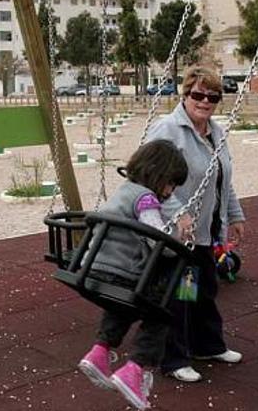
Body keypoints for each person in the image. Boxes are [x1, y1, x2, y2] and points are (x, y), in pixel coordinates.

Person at [146, 65, 247, 383]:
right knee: (181, 295)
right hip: (176, 236)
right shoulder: (168, 130)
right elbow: (153, 179)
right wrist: (180, 214)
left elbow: (222, 178)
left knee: (205, 290)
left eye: (213, 96)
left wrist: (235, 214)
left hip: (204, 232)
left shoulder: (216, 132)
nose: (205, 101)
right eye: (198, 94)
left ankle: (208, 345)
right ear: (185, 94)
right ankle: (174, 359)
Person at [77, 139, 191, 410]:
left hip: (94, 269)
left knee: (123, 304)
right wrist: (178, 237)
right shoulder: (146, 198)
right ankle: (136, 368)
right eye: (171, 183)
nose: (170, 191)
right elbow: (157, 239)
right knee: (161, 311)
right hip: (121, 271)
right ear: (159, 174)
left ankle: (100, 351)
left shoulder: (124, 190)